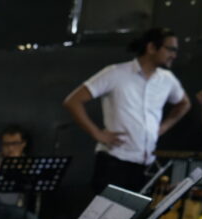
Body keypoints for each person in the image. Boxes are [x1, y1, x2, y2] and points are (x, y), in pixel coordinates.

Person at [63, 27, 191, 194]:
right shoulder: (115, 73)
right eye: (170, 49)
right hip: (114, 162)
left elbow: (184, 103)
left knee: (138, 218)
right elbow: (73, 101)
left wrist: (162, 128)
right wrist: (98, 134)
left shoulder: (167, 79)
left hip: (145, 164)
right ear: (152, 47)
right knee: (108, 218)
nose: (174, 55)